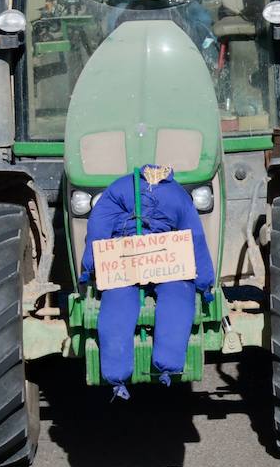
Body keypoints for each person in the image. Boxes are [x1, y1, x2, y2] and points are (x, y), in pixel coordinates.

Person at [79, 164, 216, 400]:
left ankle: (129, 372)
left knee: (129, 303)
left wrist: (89, 267)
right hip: (142, 260)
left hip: (147, 260)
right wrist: (204, 283)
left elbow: (98, 226)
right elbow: (195, 235)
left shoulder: (122, 188)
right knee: (167, 300)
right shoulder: (174, 194)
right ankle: (153, 368)